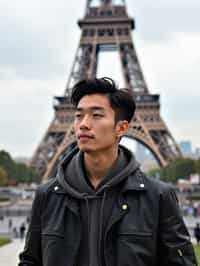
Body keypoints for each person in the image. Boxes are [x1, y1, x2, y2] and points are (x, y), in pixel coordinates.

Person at [18, 77, 197, 266]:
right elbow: (31, 261)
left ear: (121, 128)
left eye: (96, 115)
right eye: (79, 115)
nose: (83, 124)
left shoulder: (159, 197)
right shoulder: (46, 195)